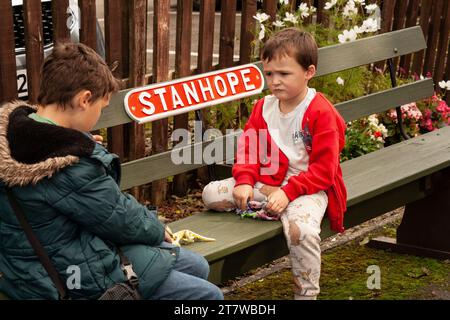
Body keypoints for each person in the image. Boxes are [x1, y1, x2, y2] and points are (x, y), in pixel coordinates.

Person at [0, 42, 223, 300]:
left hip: (38, 259)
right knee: (208, 296)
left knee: (197, 265)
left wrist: (73, 140)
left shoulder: (20, 134)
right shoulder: (69, 164)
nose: (99, 115)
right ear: (84, 99)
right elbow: (119, 217)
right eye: (100, 108)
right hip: (68, 277)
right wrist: (157, 226)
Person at [202, 28, 347, 300]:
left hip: (307, 189)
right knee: (211, 194)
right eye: (269, 74)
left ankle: (306, 294)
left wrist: (288, 192)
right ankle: (265, 207)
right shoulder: (263, 108)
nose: (275, 81)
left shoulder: (319, 112)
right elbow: (249, 150)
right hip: (266, 185)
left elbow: (324, 171)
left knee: (301, 231)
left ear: (309, 72)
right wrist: (244, 181)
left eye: (284, 74)